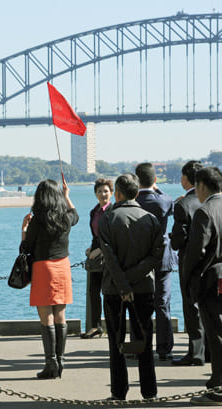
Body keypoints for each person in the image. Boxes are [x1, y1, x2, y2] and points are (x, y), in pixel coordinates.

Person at [99, 173, 163, 401]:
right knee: (145, 340)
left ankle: (118, 392)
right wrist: (133, 278)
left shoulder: (108, 218)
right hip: (144, 287)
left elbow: (108, 256)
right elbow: (156, 257)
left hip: (114, 289)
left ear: (117, 192)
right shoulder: (151, 219)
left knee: (116, 342)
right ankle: (149, 391)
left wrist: (123, 284)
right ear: (137, 193)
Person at [21, 178, 78, 379]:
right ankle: (61, 360)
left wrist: (23, 231)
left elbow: (26, 249)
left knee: (47, 318)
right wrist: (67, 196)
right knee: (61, 315)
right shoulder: (65, 218)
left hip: (43, 268)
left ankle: (50, 362)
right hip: (63, 267)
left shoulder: (37, 220)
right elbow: (75, 215)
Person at [183, 167, 222, 406]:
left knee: (215, 334)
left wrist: (188, 281)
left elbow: (195, 253)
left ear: (202, 186)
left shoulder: (204, 212)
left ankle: (218, 383)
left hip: (212, 281)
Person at [135, 162, 175, 361]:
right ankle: (164, 348)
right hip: (163, 258)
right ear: (155, 180)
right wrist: (158, 188)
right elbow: (169, 201)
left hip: (139, 258)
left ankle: (139, 344)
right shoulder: (163, 201)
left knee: (138, 302)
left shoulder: (133, 202)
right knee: (162, 303)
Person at [169, 160, 206, 366]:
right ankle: (210, 350)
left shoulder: (183, 204)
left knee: (190, 306)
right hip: (211, 262)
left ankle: (195, 352)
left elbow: (178, 241)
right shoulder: (210, 201)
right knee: (209, 306)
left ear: (185, 178)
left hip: (189, 262)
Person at [81, 178, 113, 339]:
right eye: (99, 191)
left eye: (106, 191)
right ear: (95, 194)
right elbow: (96, 235)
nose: (103, 194)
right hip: (96, 258)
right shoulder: (94, 212)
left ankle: (111, 325)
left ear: (112, 193)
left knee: (108, 292)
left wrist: (100, 249)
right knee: (93, 291)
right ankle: (96, 326)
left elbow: (113, 235)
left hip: (110, 257)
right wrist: (92, 248)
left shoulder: (113, 211)